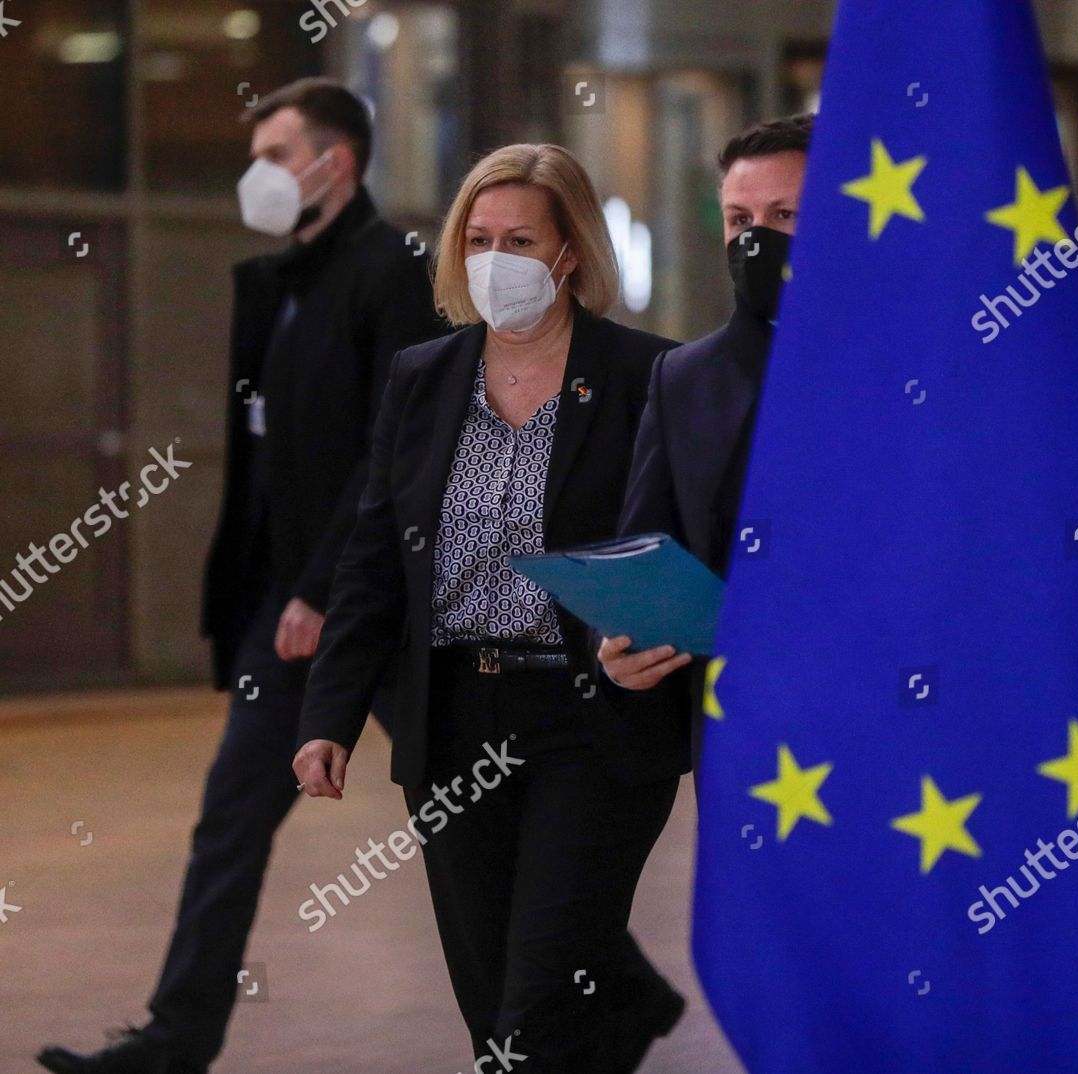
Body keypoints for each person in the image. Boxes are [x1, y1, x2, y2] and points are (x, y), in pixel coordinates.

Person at [36, 79, 443, 1074]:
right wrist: (271, 592)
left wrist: (319, 585)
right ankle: (176, 1040)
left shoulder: (392, 270)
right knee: (228, 823)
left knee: (464, 814)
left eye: (272, 151)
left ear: (332, 162)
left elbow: (390, 449)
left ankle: (595, 1003)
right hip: (284, 615)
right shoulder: (279, 283)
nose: (254, 171)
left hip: (371, 606)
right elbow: (266, 452)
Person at [291, 142, 687, 1071]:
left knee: (539, 997)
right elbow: (374, 563)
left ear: (570, 255)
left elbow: (684, 544)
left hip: (591, 725)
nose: (493, 258)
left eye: (519, 239)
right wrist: (330, 715)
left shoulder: (648, 378)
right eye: (478, 238)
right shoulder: (423, 378)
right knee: (491, 1004)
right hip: (455, 724)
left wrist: (654, 634)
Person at [596, 114, 811, 763]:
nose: (756, 240)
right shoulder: (686, 377)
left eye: (786, 216)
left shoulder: (914, 373)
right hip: (739, 728)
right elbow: (648, 547)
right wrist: (619, 647)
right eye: (740, 221)